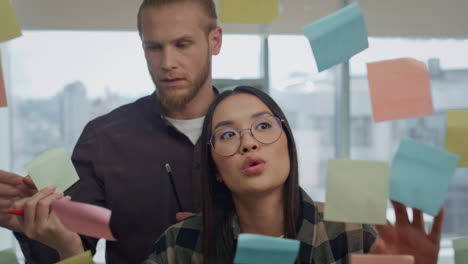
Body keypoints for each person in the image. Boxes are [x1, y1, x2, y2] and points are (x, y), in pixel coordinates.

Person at [0, 0, 222, 262]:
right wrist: (35, 226)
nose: (168, 62)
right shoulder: (103, 139)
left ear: (215, 41)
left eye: (182, 45)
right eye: (154, 47)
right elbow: (70, 246)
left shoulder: (256, 132)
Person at [143, 86, 445, 264]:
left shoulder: (354, 236)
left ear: (288, 143)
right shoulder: (178, 247)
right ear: (214, 168)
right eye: (228, 134)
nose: (248, 143)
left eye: (263, 126)